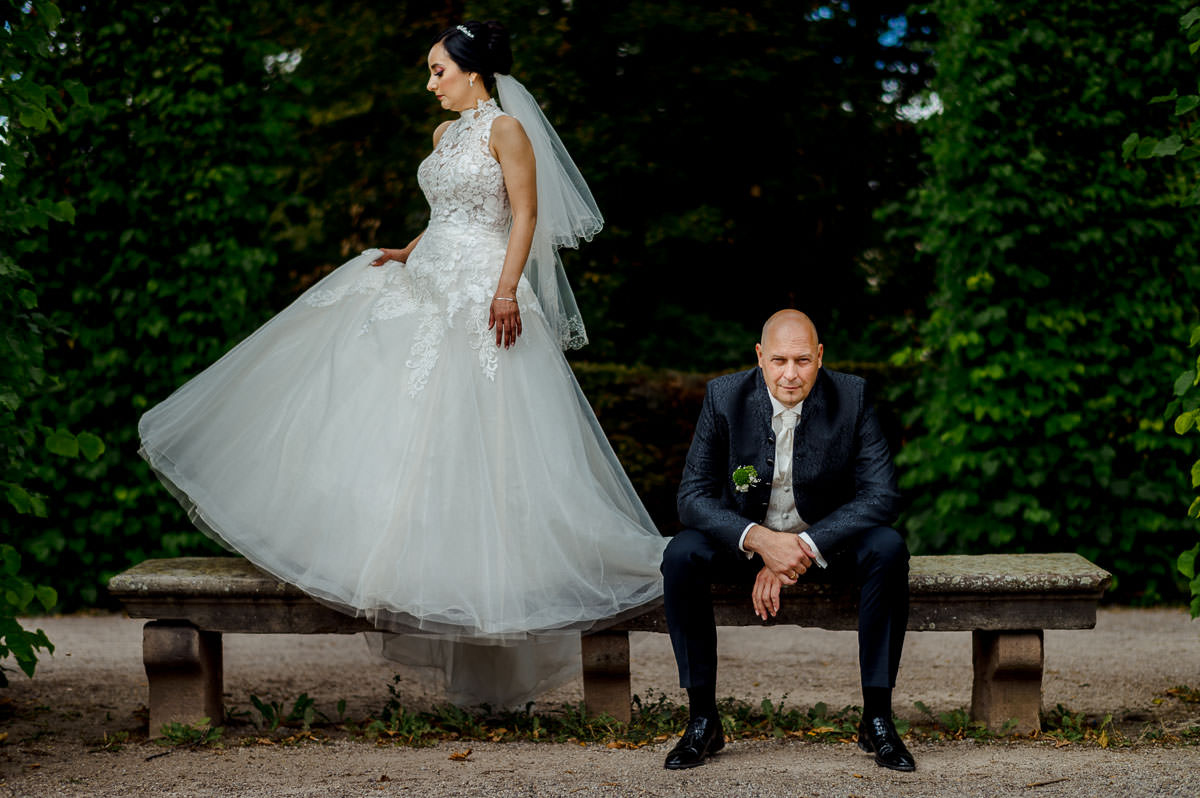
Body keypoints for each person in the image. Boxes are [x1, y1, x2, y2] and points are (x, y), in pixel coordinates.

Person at [137, 20, 666, 708]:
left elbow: (523, 216)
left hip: (483, 290)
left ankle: (501, 593)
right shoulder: (443, 136)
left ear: (473, 71)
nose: (430, 82)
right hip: (431, 275)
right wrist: (409, 250)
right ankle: (400, 563)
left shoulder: (507, 130)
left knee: (489, 446)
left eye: (438, 70)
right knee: (393, 412)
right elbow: (448, 212)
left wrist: (506, 292)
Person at [660, 310, 915, 772]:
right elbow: (692, 498)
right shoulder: (724, 396)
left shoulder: (852, 397)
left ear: (819, 357)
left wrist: (799, 548)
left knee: (888, 548)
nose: (791, 375)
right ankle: (702, 719)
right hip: (745, 544)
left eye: (802, 360)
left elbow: (882, 495)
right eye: (779, 361)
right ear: (760, 357)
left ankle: (877, 718)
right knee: (680, 555)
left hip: (826, 545)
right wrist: (760, 541)